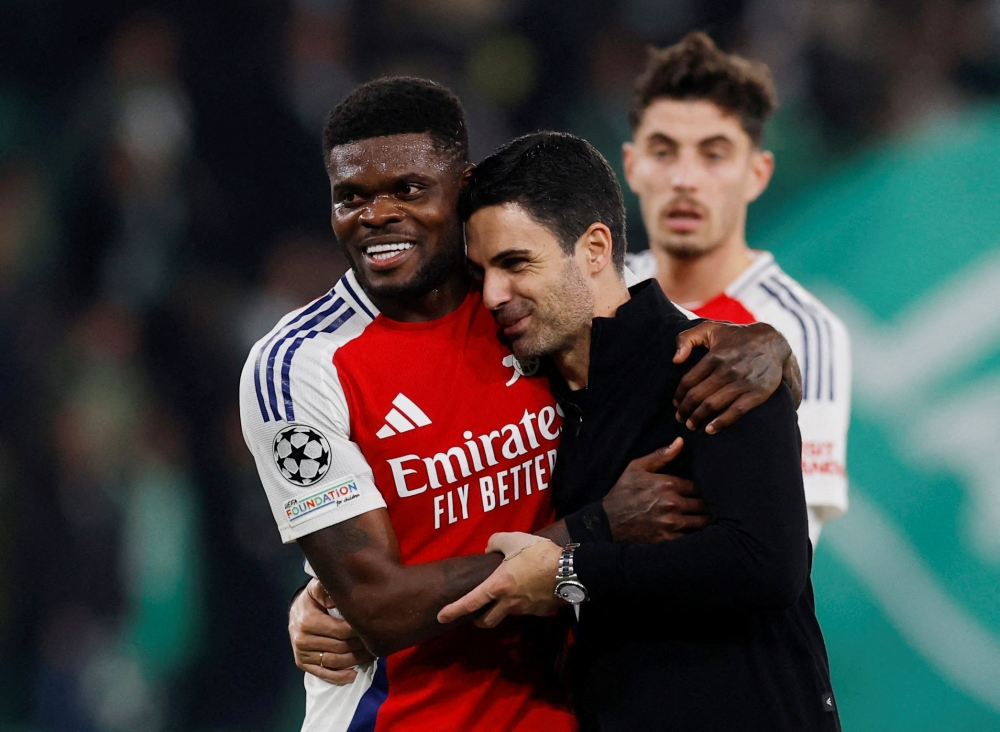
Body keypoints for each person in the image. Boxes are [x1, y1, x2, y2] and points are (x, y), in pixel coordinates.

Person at [243, 77, 799, 731]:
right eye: (350, 198)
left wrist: (768, 346)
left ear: (463, 185)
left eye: (408, 190)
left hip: (566, 710)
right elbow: (378, 608)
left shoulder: (525, 304)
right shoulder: (302, 365)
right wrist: (593, 531)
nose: (377, 215)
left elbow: (660, 330)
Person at [439, 131, 840, 731]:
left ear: (595, 248)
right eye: (481, 273)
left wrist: (572, 575)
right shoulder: (537, 401)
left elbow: (767, 562)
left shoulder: (717, 367)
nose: (494, 294)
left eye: (516, 263)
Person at [621, 32, 851, 544]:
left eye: (714, 154)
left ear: (757, 173)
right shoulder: (600, 293)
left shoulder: (806, 330)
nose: (684, 178)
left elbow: (789, 548)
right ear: (633, 166)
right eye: (663, 151)